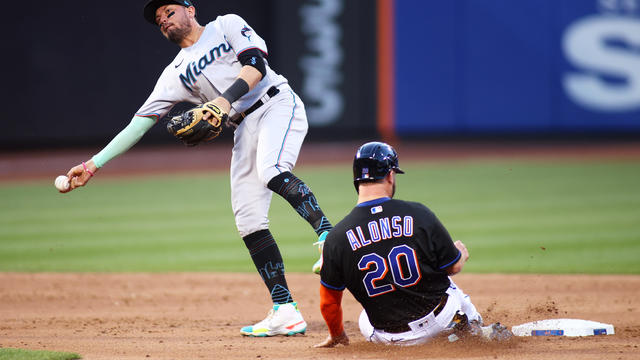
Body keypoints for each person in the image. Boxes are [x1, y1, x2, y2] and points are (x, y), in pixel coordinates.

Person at [60, 0, 333, 337]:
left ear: (190, 9)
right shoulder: (174, 74)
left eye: (169, 12)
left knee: (272, 169)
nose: (164, 20)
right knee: (248, 219)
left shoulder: (226, 25)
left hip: (276, 103)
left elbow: (256, 64)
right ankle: (285, 310)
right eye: (158, 20)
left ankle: (328, 236)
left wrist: (222, 100)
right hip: (244, 127)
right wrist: (93, 164)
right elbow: (138, 124)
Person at [315, 141, 512, 347]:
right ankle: (474, 326)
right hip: (440, 322)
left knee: (365, 317)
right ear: (390, 175)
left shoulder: (336, 238)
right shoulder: (418, 213)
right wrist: (461, 255)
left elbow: (329, 302)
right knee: (448, 282)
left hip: (391, 339)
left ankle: (445, 331)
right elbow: (452, 267)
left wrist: (337, 335)